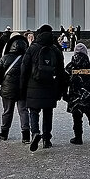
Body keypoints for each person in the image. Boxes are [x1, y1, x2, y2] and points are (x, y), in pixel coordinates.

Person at [20, 24, 66, 152]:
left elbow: (24, 69)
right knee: (48, 112)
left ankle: (35, 132)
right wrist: (61, 89)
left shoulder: (32, 48)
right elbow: (61, 72)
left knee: (33, 111)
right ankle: (47, 139)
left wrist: (22, 88)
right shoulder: (55, 49)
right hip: (50, 85)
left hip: (33, 84)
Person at [0, 33, 31, 143]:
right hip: (23, 89)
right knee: (23, 111)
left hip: (8, 89)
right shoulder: (27, 59)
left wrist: (2, 83)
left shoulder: (5, 58)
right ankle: (26, 135)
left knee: (7, 111)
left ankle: (4, 133)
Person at [64, 43, 90, 145]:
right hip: (88, 96)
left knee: (77, 118)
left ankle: (78, 137)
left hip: (75, 97)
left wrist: (64, 95)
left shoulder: (70, 66)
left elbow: (64, 82)